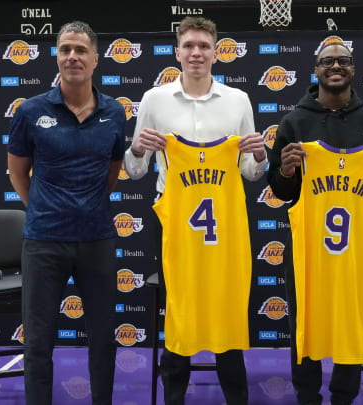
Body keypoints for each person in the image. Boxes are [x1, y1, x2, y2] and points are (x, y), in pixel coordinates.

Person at [124, 16, 267, 405]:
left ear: (217, 52)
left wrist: (259, 156)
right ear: (177, 52)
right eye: (189, 45)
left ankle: (236, 395)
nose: (196, 52)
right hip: (174, 223)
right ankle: (174, 395)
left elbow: (251, 174)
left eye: (204, 46)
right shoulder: (154, 100)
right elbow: (135, 170)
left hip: (225, 223)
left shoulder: (238, 100)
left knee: (227, 305)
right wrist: (137, 149)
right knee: (178, 308)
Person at [267, 42, 363, 405]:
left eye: (343, 61)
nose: (336, 66)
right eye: (328, 61)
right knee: (303, 324)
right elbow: (280, 191)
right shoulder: (294, 122)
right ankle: (307, 396)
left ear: (354, 69)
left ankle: (344, 396)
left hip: (356, 250)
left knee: (351, 322)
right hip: (309, 249)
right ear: (316, 70)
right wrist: (286, 169)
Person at [7, 21, 125, 405]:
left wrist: (84, 205)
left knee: (104, 340)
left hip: (97, 240)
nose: (72, 56)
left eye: (79, 50)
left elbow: (111, 173)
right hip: (44, 241)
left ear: (95, 58)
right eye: (64, 50)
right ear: (56, 57)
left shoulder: (114, 112)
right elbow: (18, 173)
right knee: (38, 344)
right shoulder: (29, 111)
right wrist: (44, 209)